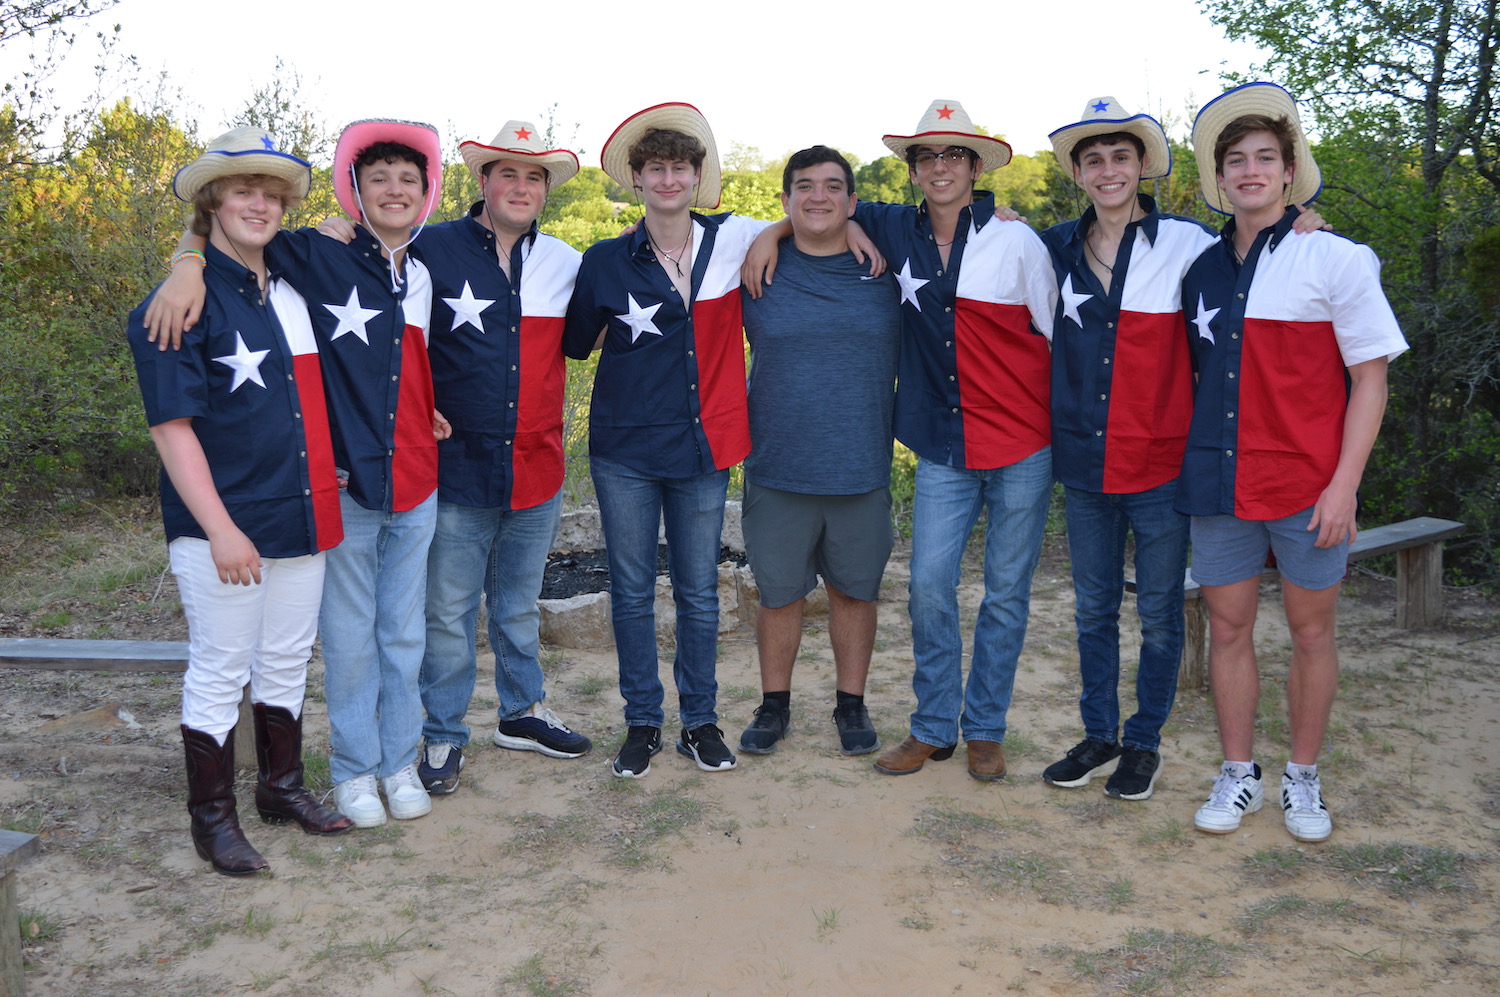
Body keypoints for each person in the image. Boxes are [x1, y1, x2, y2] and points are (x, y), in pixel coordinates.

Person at [146, 119, 450, 828]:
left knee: (402, 635)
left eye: (408, 179)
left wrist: (426, 413)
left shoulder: (428, 273)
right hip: (346, 489)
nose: (395, 190)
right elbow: (218, 237)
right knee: (346, 638)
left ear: (428, 190)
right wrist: (185, 264)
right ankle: (350, 771)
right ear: (354, 189)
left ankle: (398, 760)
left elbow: (401, 369)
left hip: (412, 475)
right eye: (378, 178)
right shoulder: (313, 255)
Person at [750, 100, 1057, 781]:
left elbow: (1055, 333)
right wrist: (770, 232)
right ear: (913, 170)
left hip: (1021, 440)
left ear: (977, 167)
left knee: (1005, 593)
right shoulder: (892, 226)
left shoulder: (1018, 240)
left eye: (954, 155)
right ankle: (931, 726)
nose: (940, 167)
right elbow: (816, 209)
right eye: (927, 156)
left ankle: (984, 728)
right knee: (927, 586)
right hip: (943, 440)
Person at [1180, 83, 1406, 842]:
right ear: (1219, 178)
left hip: (1310, 484)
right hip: (1219, 479)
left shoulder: (1336, 257)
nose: (1249, 171)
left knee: (1313, 631)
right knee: (1229, 626)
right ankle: (1238, 772)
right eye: (1235, 160)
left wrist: (1345, 484)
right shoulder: (1199, 268)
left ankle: (1302, 778)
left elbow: (1371, 377)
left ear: (1288, 171)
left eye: (1264, 159)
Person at [128, 127, 353, 876]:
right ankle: (212, 820)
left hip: (303, 511)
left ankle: (281, 789)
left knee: (288, 658)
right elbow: (172, 427)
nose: (258, 203)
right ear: (212, 202)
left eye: (271, 192)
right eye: (240, 189)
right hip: (222, 524)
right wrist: (219, 528)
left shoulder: (291, 288)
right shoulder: (174, 305)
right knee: (222, 666)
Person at [563, 103, 772, 778]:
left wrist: (771, 238)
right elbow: (578, 341)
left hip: (704, 447)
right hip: (624, 449)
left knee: (699, 592)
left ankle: (701, 722)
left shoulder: (733, 239)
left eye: (681, 167)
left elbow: (810, 213)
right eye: (656, 168)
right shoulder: (605, 259)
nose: (669, 179)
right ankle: (642, 722)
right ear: (637, 178)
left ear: (697, 175)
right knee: (629, 591)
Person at [1036, 99, 1216, 801]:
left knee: (1161, 612)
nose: (1107, 170)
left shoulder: (1191, 244)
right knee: (1092, 609)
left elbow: (1265, 255)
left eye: (1120, 157)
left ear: (1142, 165)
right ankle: (1099, 733)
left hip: (1161, 462)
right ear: (1078, 173)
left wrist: (1302, 220)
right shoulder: (1053, 247)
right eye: (1093, 160)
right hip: (1084, 463)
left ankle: (1143, 743)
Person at [407, 121, 593, 794]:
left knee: (516, 605)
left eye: (534, 176)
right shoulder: (428, 249)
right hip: (457, 468)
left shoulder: (567, 262)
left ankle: (520, 712)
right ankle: (443, 733)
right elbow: (377, 328)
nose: (520, 186)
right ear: (482, 182)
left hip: (536, 465)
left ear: (546, 191)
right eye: (507, 173)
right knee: (449, 612)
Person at [735, 145, 900, 757]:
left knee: (855, 593)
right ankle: (773, 705)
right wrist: (771, 235)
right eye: (804, 187)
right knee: (779, 595)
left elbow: (951, 219)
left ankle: (850, 706)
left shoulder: (885, 269)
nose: (819, 197)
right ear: (785, 201)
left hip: (860, 465)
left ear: (854, 202)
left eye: (834, 187)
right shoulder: (755, 267)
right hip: (778, 463)